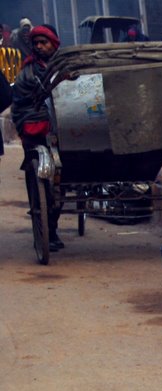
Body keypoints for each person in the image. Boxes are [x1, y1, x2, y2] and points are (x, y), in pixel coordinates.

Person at [12, 23, 62, 251]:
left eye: (45, 42)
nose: (40, 47)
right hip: (37, 135)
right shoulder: (27, 74)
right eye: (37, 44)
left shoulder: (66, 67)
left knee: (61, 186)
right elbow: (21, 108)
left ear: (54, 44)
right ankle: (44, 232)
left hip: (66, 132)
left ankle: (53, 229)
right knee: (42, 184)